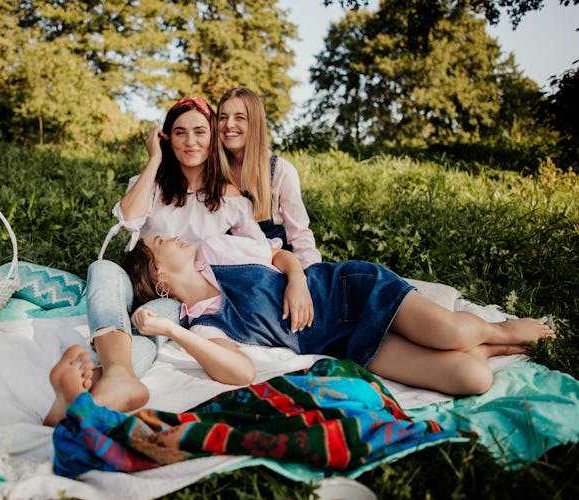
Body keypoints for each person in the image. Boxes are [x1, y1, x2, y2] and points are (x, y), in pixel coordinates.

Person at [121, 233, 555, 395]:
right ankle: (490, 349)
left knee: (451, 331)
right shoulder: (205, 324)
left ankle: (495, 330)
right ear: (158, 276)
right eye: (160, 241)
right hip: (345, 342)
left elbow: (281, 256)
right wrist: (168, 331)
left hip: (346, 292)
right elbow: (237, 372)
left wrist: (297, 281)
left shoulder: (216, 251)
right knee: (471, 380)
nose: (173, 238)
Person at [74, 96, 269, 420]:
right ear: (167, 138)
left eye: (199, 132)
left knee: (150, 321)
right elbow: (128, 220)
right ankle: (117, 376)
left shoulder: (232, 198)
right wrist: (154, 160)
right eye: (179, 133)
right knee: (102, 269)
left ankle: (108, 382)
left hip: (176, 293)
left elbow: (261, 254)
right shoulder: (150, 184)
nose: (190, 141)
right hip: (136, 275)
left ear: (213, 137)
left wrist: (296, 274)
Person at [217, 87, 321, 269]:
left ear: (255, 123)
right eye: (223, 117)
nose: (229, 124)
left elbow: (300, 234)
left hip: (277, 264)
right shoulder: (214, 171)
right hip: (230, 265)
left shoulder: (280, 171)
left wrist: (308, 277)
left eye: (239, 117)